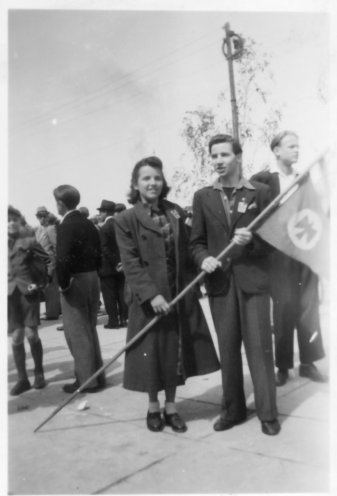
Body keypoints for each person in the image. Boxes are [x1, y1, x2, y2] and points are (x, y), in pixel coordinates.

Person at [114, 156, 220, 433]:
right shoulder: (125, 219)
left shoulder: (175, 212)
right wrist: (151, 295)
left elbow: (189, 249)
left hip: (178, 294)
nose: (153, 183)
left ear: (164, 182)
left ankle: (171, 408)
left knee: (175, 352)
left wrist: (202, 262)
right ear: (135, 184)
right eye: (146, 178)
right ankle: (152, 407)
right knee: (153, 353)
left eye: (157, 178)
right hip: (148, 300)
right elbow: (131, 263)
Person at [190, 134, 280, 436]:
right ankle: (233, 409)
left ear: (237, 157)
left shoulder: (261, 192)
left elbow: (274, 241)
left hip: (253, 282)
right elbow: (196, 242)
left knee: (259, 350)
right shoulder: (202, 197)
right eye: (213, 156)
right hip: (220, 284)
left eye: (224, 155)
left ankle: (268, 412)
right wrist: (203, 259)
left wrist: (253, 240)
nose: (218, 161)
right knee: (228, 350)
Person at [251, 130, 327, 386]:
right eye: (291, 146)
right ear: (276, 150)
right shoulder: (264, 181)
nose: (297, 150)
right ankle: (283, 366)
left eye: (298, 146)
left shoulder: (303, 179)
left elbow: (314, 214)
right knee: (283, 309)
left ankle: (308, 362)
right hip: (279, 254)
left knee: (309, 308)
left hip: (304, 252)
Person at [53, 185, 106, 393]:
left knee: (77, 332)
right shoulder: (88, 223)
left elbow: (62, 259)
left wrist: (64, 284)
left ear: (60, 203)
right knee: (90, 329)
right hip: (93, 278)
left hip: (75, 281)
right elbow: (99, 253)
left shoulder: (65, 226)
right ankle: (97, 376)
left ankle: (86, 380)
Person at [8, 206, 48, 395]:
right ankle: (22, 379)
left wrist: (39, 284)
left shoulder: (29, 240)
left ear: (19, 221)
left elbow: (47, 261)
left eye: (14, 219)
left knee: (31, 334)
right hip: (9, 296)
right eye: (7, 220)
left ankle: (39, 373)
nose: (11, 223)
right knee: (16, 337)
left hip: (27, 293)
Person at [97, 200, 128, 328]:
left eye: (100, 212)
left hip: (108, 267)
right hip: (122, 266)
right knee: (121, 293)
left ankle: (113, 321)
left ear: (105, 212)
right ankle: (124, 319)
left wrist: (115, 262)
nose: (99, 215)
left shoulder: (105, 227)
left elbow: (104, 249)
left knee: (109, 296)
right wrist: (121, 262)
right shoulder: (120, 224)